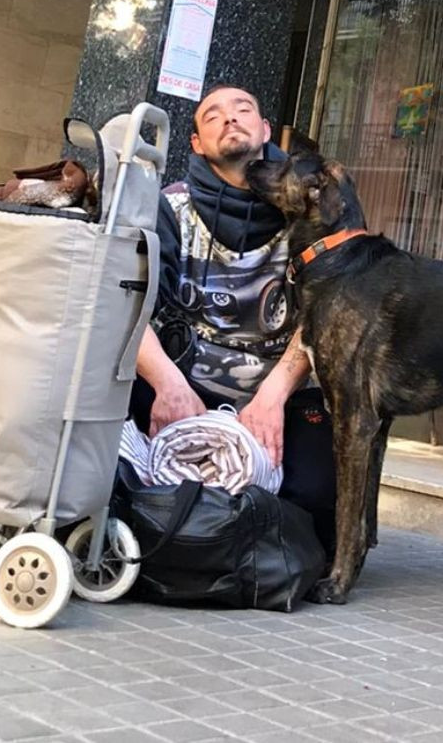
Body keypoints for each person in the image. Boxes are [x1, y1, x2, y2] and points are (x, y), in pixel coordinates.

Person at [130, 83, 335, 550]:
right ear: (198, 144)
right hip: (185, 383)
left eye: (244, 108)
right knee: (114, 455)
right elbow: (127, 304)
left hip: (282, 389)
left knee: (313, 505)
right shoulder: (171, 207)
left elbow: (325, 314)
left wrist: (272, 396)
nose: (230, 118)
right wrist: (168, 384)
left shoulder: (308, 211)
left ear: (265, 130)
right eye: (213, 116)